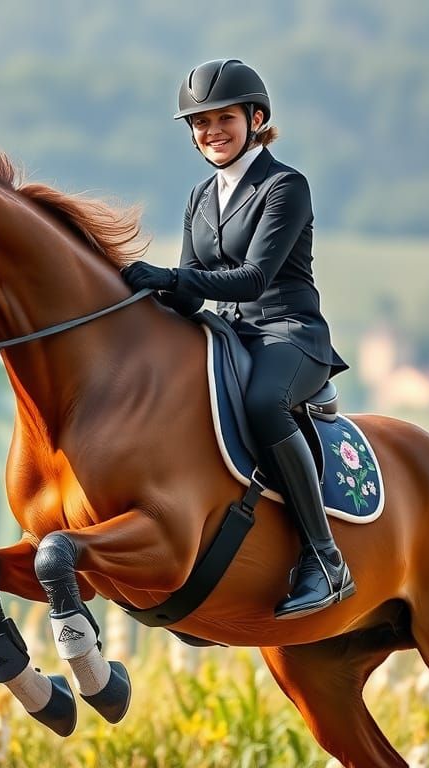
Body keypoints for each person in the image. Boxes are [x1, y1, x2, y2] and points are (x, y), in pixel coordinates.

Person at [121, 58, 354, 619]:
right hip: (228, 335)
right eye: (200, 124)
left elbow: (254, 278)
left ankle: (325, 559)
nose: (211, 132)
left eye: (223, 118)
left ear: (255, 118)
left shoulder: (284, 186)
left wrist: (173, 278)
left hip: (288, 334)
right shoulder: (201, 197)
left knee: (261, 402)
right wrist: (131, 290)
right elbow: (187, 293)